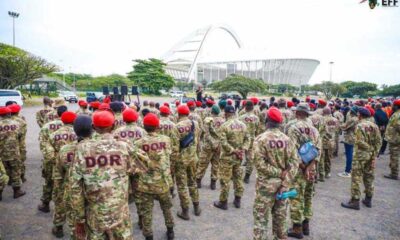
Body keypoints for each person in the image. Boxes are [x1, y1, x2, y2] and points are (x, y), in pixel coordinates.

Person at [69, 110, 148, 240]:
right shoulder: (123, 146)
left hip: (95, 213)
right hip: (120, 212)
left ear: (93, 127)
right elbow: (145, 164)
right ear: (114, 125)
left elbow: (75, 187)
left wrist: (79, 219)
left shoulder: (82, 148)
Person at [253, 108, 299, 240]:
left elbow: (260, 165)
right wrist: (285, 182)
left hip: (265, 187)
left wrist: (277, 173)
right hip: (283, 188)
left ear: (266, 120)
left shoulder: (260, 139)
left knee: (261, 221)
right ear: (279, 123)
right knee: (281, 221)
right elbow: (295, 163)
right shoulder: (287, 140)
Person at [134, 113, 175, 240]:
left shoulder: (138, 143)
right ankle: (170, 232)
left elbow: (136, 165)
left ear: (144, 126)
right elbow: (169, 156)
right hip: (163, 182)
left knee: (147, 213)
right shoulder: (166, 140)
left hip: (145, 185)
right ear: (157, 126)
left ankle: (149, 236)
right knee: (167, 208)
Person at [53, 115, 93, 239]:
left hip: (71, 193)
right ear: (92, 129)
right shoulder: (99, 149)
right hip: (94, 192)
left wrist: (59, 194)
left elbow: (58, 175)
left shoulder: (65, 150)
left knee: (76, 228)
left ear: (74, 131)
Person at [286, 103, 320, 238]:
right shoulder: (314, 130)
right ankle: (306, 225)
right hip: (312, 168)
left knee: (296, 196)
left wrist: (302, 167)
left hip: (299, 169)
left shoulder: (293, 128)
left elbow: (292, 151)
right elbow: (318, 150)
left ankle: (297, 228)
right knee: (308, 195)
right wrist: (311, 167)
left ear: (297, 113)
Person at [341, 107, 381, 210]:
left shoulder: (359, 126)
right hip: (371, 156)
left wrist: (369, 148)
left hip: (360, 155)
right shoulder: (375, 126)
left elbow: (359, 141)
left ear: (360, 115)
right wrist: (374, 153)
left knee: (356, 178)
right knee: (369, 177)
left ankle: (355, 201)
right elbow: (379, 142)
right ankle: (368, 199)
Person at [214, 105, 249, 210]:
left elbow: (223, 143)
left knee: (225, 180)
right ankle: (237, 200)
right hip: (239, 157)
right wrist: (243, 150)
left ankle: (223, 202)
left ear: (225, 113)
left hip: (227, 157)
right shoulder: (243, 125)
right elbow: (248, 139)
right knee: (238, 178)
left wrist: (233, 150)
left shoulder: (224, 126)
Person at [49, 111, 78, 238]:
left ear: (62, 120)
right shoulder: (79, 134)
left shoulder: (54, 135)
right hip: (78, 174)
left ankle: (58, 227)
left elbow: (49, 154)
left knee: (60, 200)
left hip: (61, 169)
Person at [38, 105, 67, 213]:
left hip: (51, 161)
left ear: (57, 113)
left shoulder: (47, 126)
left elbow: (43, 146)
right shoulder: (72, 127)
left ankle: (45, 204)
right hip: (68, 162)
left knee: (49, 182)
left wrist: (52, 159)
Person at [175, 105, 201, 220]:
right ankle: (196, 206)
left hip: (181, 160)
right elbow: (198, 139)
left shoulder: (176, 127)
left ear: (178, 114)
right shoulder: (195, 124)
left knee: (181, 185)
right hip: (193, 157)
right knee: (192, 182)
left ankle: (185, 211)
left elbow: (175, 147)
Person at [196, 105, 225, 190]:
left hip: (208, 146)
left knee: (202, 163)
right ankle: (213, 183)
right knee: (216, 164)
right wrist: (217, 144)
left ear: (212, 111)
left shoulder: (208, 120)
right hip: (218, 146)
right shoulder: (223, 121)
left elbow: (206, 133)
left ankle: (198, 181)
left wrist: (212, 143)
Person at [0, 106, 26, 199]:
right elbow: (20, 137)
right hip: (14, 152)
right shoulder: (17, 124)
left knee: (1, 173)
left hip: (1, 153)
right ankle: (17, 191)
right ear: (9, 114)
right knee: (16, 171)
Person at [158, 106, 179, 196]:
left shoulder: (157, 123)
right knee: (171, 172)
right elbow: (176, 140)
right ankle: (171, 189)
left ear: (160, 113)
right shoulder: (173, 125)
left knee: (158, 171)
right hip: (170, 151)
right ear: (168, 113)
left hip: (158, 151)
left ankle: (160, 191)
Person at [239, 101, 260, 184]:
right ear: (253, 107)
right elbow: (258, 131)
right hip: (252, 140)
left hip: (242, 139)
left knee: (238, 156)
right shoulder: (256, 118)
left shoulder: (241, 117)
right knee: (250, 159)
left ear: (245, 107)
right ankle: (247, 176)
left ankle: (236, 174)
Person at [318, 107, 339, 181]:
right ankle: (328, 172)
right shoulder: (335, 120)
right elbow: (337, 131)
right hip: (331, 141)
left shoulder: (322, 119)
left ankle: (322, 174)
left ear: (323, 112)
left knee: (321, 158)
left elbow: (319, 130)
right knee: (329, 158)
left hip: (323, 141)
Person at [8, 104, 27, 182]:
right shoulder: (21, 121)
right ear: (18, 111)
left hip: (5, 145)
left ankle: (9, 179)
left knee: (6, 162)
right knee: (20, 161)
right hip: (19, 144)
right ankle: (21, 176)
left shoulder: (5, 121)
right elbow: (22, 134)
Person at [338, 106, 359, 178]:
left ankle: (347, 171)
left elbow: (344, 127)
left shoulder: (353, 119)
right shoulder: (357, 119)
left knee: (349, 154)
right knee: (352, 154)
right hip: (355, 137)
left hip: (349, 138)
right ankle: (351, 170)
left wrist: (338, 123)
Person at [384, 99, 400, 180]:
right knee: (394, 156)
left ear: (396, 106)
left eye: (393, 105)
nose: (392, 106)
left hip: (395, 140)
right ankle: (393, 172)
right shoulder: (396, 114)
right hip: (394, 139)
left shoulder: (397, 115)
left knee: (394, 157)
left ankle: (394, 174)